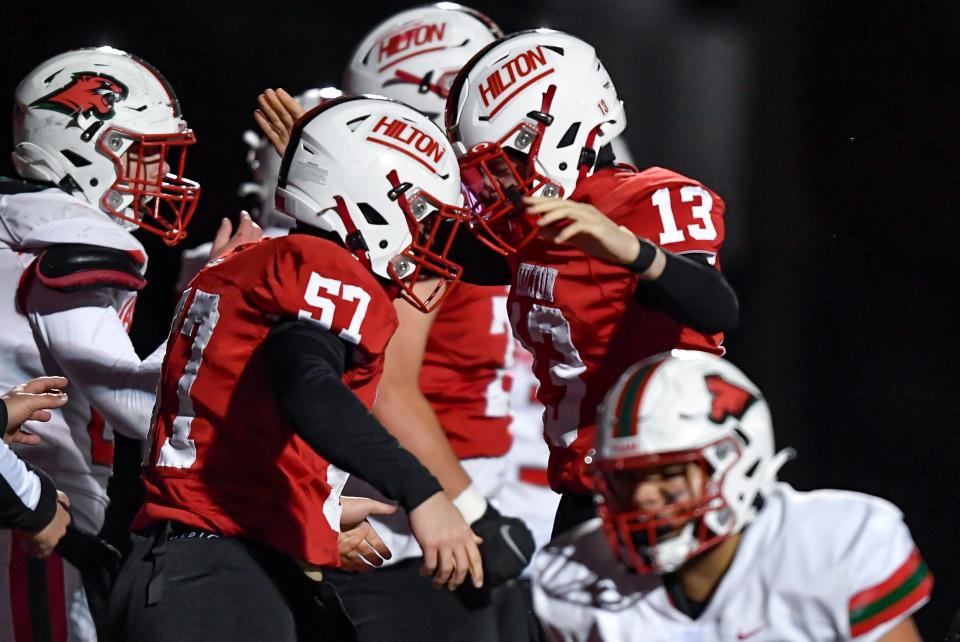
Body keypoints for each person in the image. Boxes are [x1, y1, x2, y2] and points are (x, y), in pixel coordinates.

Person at [107, 96, 485, 642]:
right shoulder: (323, 264)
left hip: (195, 567)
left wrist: (314, 509)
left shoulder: (255, 260)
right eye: (423, 216)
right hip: (218, 579)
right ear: (371, 207)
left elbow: (235, 418)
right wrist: (421, 493)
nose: (428, 240)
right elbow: (307, 387)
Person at [0, 46, 258, 641]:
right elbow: (141, 409)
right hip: (35, 513)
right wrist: (208, 301)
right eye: (141, 155)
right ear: (83, 145)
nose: (158, 177)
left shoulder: (20, 222)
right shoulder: (66, 241)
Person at [444, 30, 739, 535]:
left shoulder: (649, 200)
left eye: (504, 164)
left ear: (558, 132)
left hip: (665, 479)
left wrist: (631, 251)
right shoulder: (532, 227)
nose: (495, 184)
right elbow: (438, 249)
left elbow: (715, 308)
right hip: (586, 486)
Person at [532, 350, 931, 641]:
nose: (643, 496)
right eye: (627, 478)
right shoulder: (573, 581)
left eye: (667, 473)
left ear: (736, 464)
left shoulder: (837, 548)